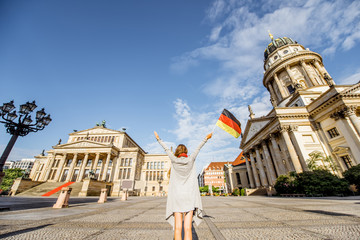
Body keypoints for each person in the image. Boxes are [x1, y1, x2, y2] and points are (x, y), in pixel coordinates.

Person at [154, 131, 212, 240]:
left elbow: (166, 149)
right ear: (186, 151)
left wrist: (158, 139)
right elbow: (198, 148)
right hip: (189, 196)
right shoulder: (191, 159)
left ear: (177, 151)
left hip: (177, 197)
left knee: (177, 228)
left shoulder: (174, 160)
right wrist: (206, 138)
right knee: (188, 228)